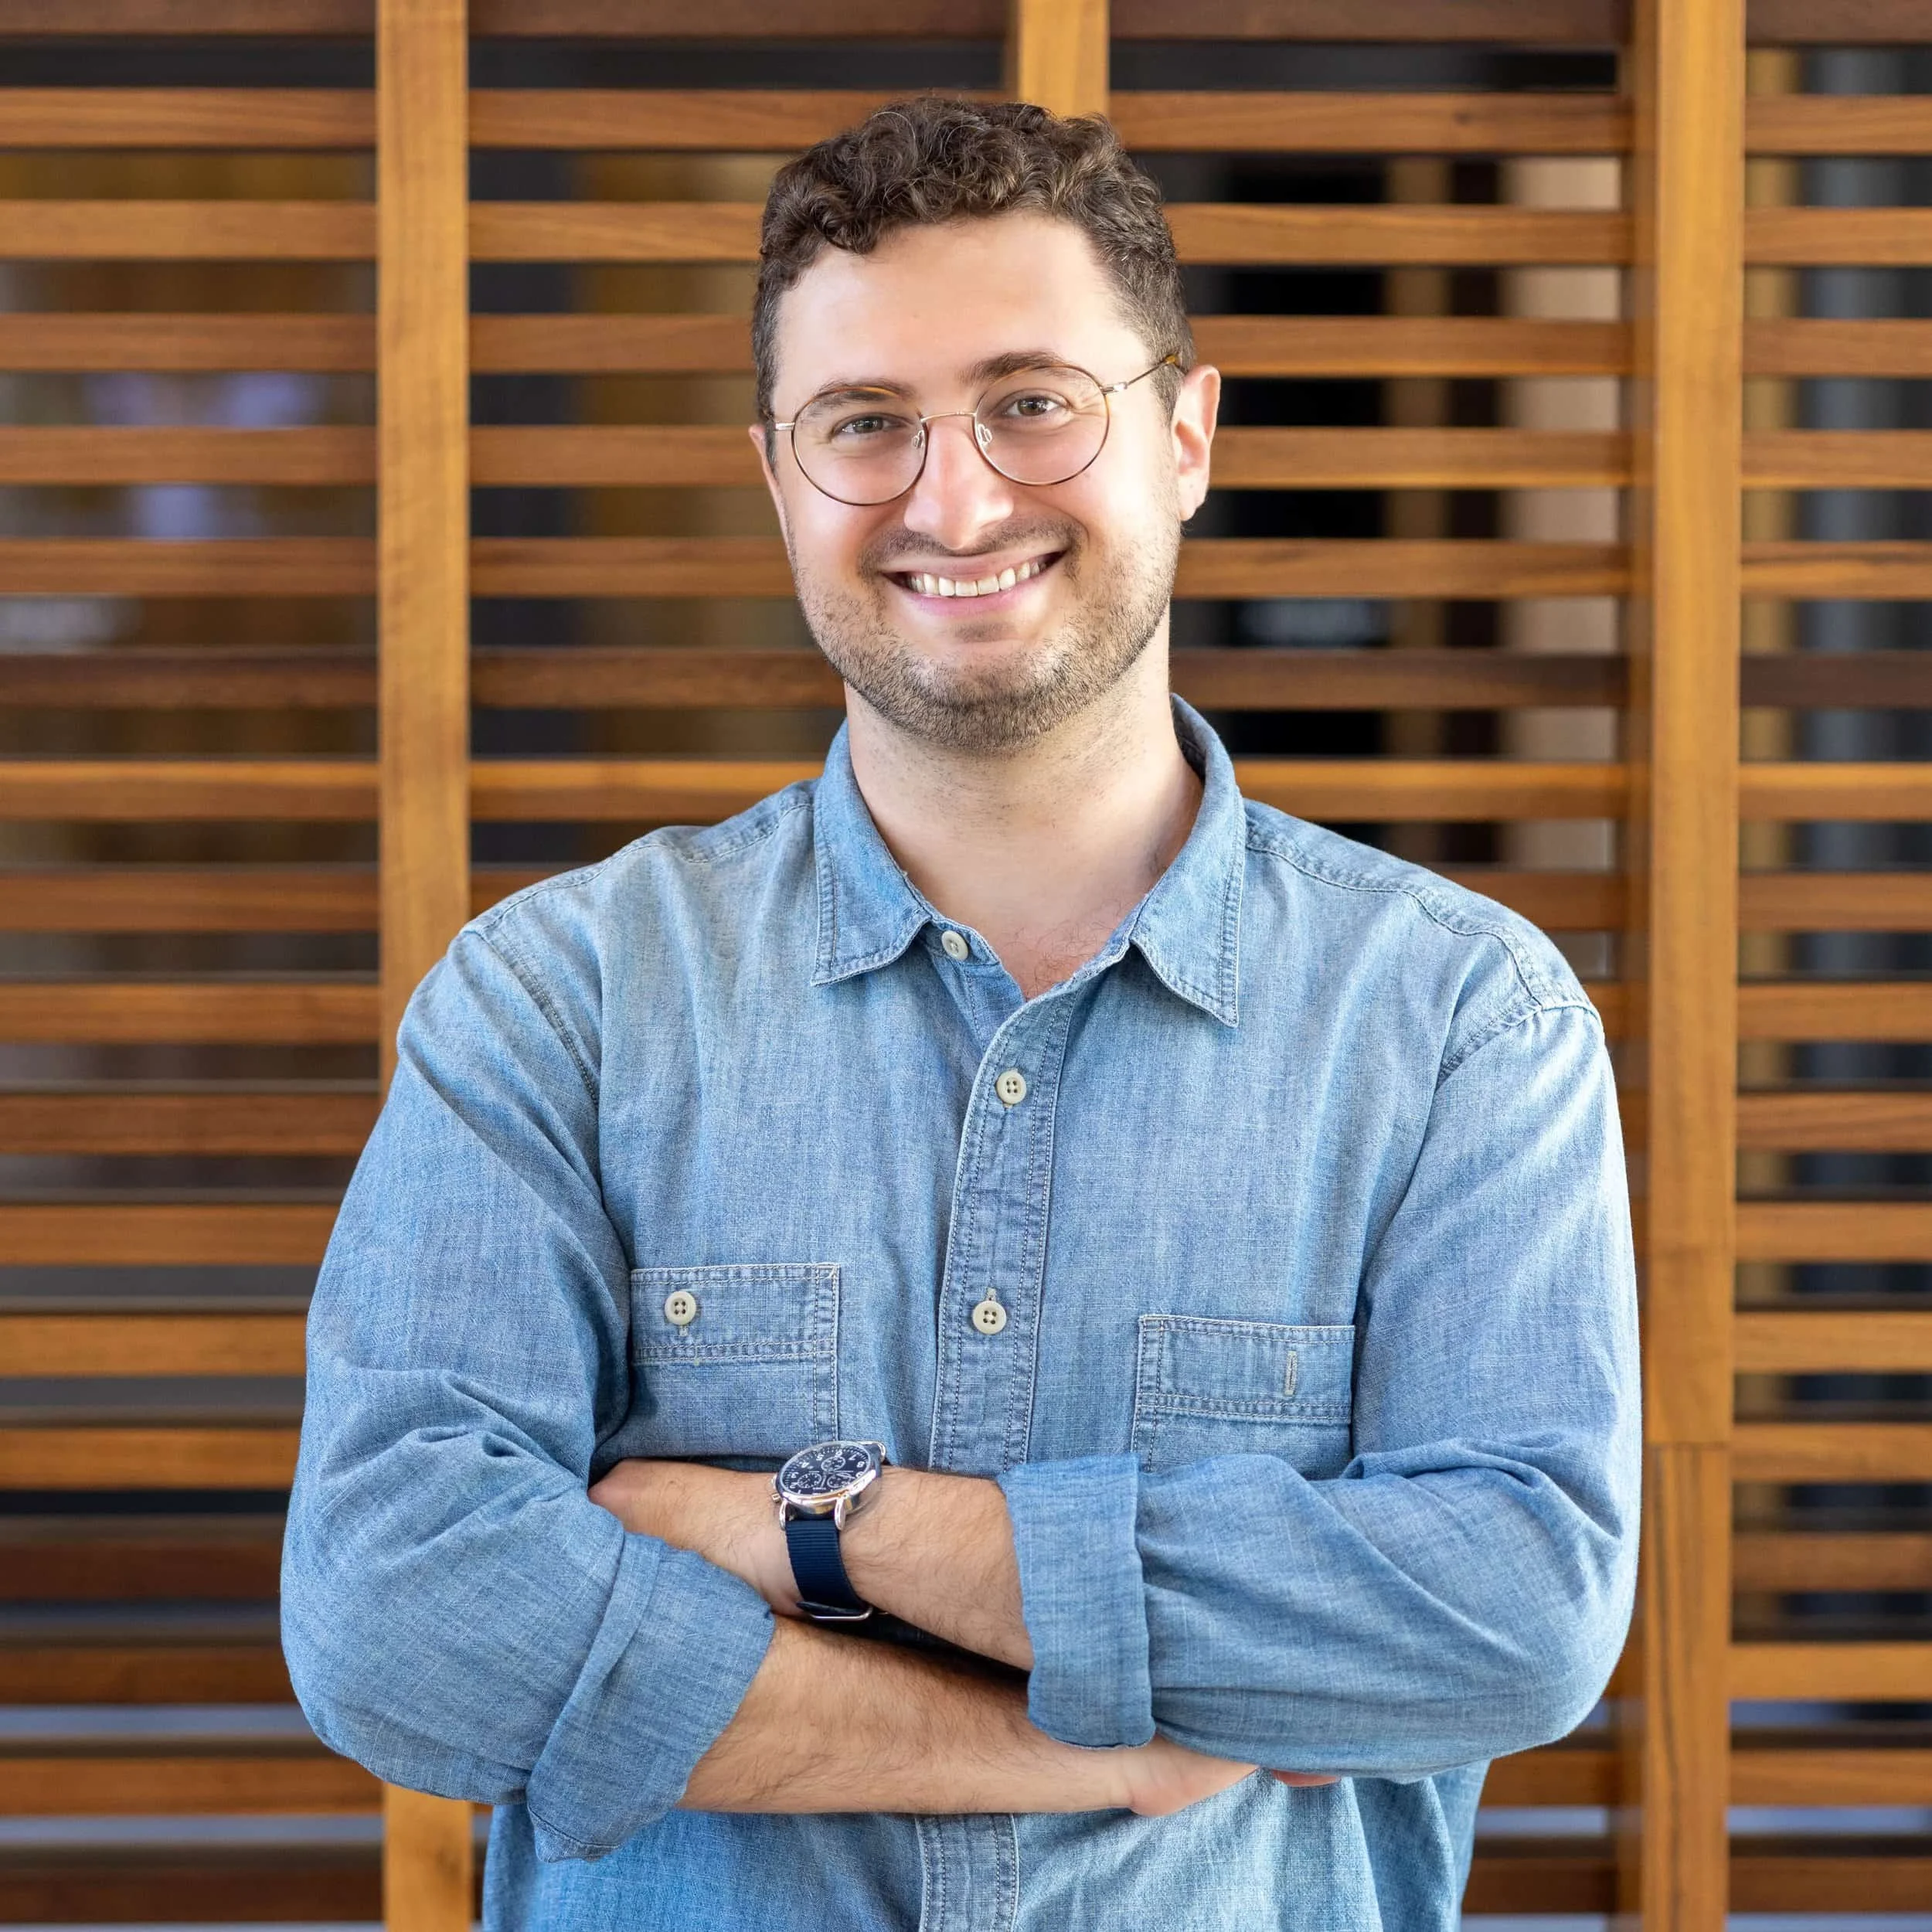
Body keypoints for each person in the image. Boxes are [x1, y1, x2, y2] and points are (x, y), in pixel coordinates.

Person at [283, 97, 1639, 1931]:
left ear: (1181, 433)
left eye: (1029, 398)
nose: (955, 497)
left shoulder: (1461, 1019)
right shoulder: (560, 999)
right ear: (779, 479)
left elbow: (1510, 1611)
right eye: (864, 425)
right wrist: (1081, 1741)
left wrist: (799, 1524)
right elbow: (398, 1616)